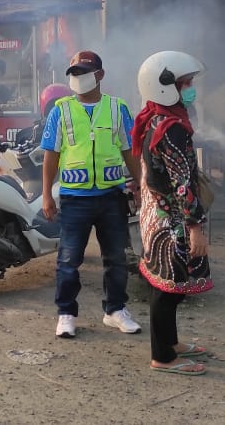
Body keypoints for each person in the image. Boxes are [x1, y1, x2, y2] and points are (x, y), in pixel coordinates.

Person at [40, 50, 143, 339]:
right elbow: (51, 155)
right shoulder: (60, 110)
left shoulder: (117, 108)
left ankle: (115, 310)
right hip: (75, 198)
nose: (77, 78)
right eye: (73, 73)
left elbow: (129, 151)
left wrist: (141, 184)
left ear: (99, 75)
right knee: (69, 259)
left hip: (111, 196)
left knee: (117, 257)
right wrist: (47, 195)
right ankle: (66, 314)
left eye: (83, 72)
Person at [132, 51, 214, 375]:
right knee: (168, 289)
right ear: (166, 87)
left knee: (169, 286)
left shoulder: (154, 118)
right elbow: (183, 183)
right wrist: (196, 227)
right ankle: (163, 357)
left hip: (158, 213)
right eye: (186, 83)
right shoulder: (173, 128)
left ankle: (170, 343)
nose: (192, 88)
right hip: (173, 220)